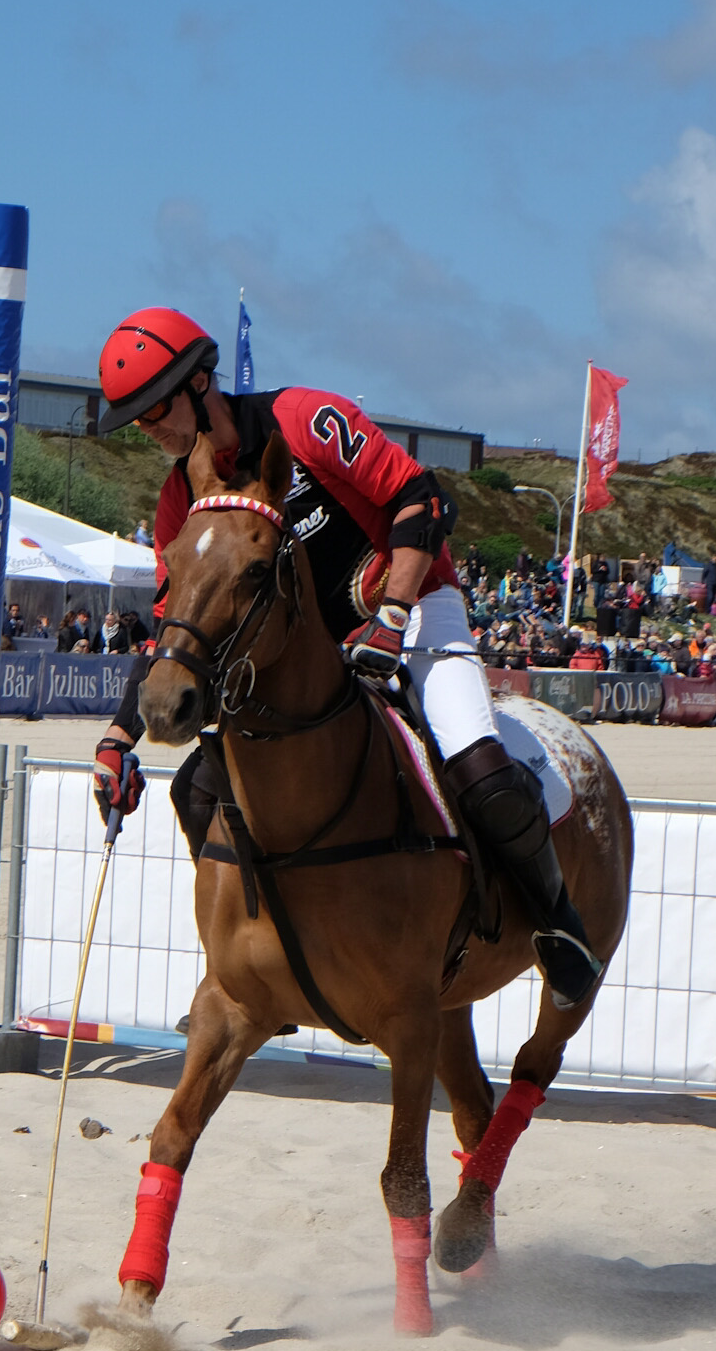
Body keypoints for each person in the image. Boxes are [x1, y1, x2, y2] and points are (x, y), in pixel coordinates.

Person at [88, 305, 601, 1005]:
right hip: (307, 648)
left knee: (479, 766)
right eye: (138, 421)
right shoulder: (182, 497)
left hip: (413, 604)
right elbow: (174, 626)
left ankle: (556, 926)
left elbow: (421, 499)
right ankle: (261, 947)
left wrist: (392, 615)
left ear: (202, 379)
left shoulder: (305, 419)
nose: (150, 430)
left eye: (155, 410)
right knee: (196, 788)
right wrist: (121, 734)